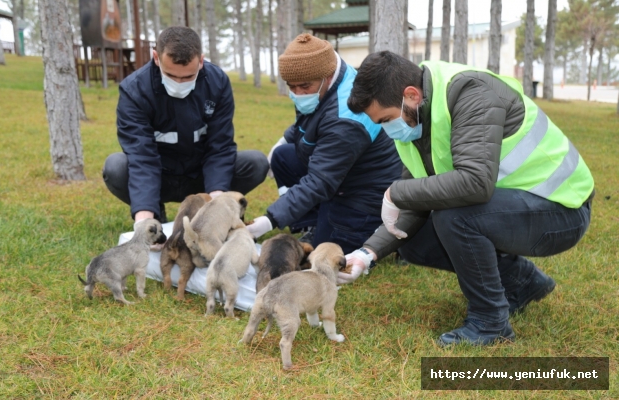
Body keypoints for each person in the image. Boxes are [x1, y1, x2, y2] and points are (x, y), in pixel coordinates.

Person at [340, 51, 594, 346]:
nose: (386, 129)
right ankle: (522, 282)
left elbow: (474, 184)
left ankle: (490, 325)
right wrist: (367, 253)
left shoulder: (472, 94)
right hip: (517, 207)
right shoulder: (417, 119)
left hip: (562, 208)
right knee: (415, 242)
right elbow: (418, 199)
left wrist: (395, 193)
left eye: (385, 119)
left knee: (455, 217)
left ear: (410, 94)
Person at [246, 34, 402, 254]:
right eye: (291, 87)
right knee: (283, 156)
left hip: (365, 191)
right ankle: (311, 220)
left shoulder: (348, 116)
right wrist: (286, 138)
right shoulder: (326, 80)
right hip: (340, 174)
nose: (298, 94)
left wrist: (269, 220)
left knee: (321, 249)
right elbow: (309, 120)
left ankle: (378, 228)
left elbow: (320, 180)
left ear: (327, 76)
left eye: (304, 87)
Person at [103, 27, 268, 224]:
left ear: (201, 60)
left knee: (256, 162)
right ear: (156, 57)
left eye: (188, 77)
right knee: (115, 167)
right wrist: (144, 220)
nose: (179, 83)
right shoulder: (135, 90)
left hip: (200, 175)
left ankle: (206, 210)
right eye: (171, 75)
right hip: (160, 176)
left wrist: (216, 207)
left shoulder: (217, 82)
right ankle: (155, 214)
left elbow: (219, 146)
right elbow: (142, 156)